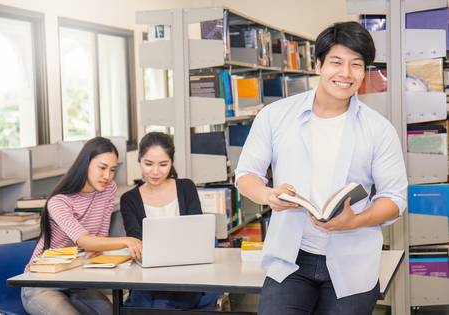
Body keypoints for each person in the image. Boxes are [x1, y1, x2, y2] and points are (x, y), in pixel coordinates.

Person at [235, 21, 408, 315]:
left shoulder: (379, 129)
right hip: (290, 259)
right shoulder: (275, 116)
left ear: (364, 72)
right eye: (336, 62)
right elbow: (245, 175)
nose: (345, 73)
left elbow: (395, 199)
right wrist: (267, 195)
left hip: (353, 261)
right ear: (317, 64)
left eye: (356, 64)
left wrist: (354, 221)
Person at [21, 137, 143, 315]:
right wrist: (127, 241)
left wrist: (98, 249)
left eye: (112, 170)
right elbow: (87, 242)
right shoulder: (59, 202)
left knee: (112, 313)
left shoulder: (109, 189)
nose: (107, 176)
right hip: (41, 283)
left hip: (78, 280)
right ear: (85, 164)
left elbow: (98, 242)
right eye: (102, 168)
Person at [120, 131, 203, 309]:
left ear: (172, 162)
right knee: (153, 304)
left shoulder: (186, 188)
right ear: (139, 161)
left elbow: (197, 234)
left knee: (157, 305)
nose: (155, 172)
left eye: (163, 164)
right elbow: (136, 241)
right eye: (148, 164)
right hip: (147, 277)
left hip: (186, 275)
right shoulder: (129, 199)